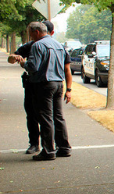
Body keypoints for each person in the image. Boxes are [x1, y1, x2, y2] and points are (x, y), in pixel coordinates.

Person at [21, 21, 72, 161]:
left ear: (36, 32)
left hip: (44, 84)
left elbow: (33, 67)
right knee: (58, 116)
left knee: (45, 118)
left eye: (31, 34)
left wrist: (22, 63)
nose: (31, 37)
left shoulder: (38, 45)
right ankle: (64, 147)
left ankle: (48, 150)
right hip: (58, 84)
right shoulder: (58, 45)